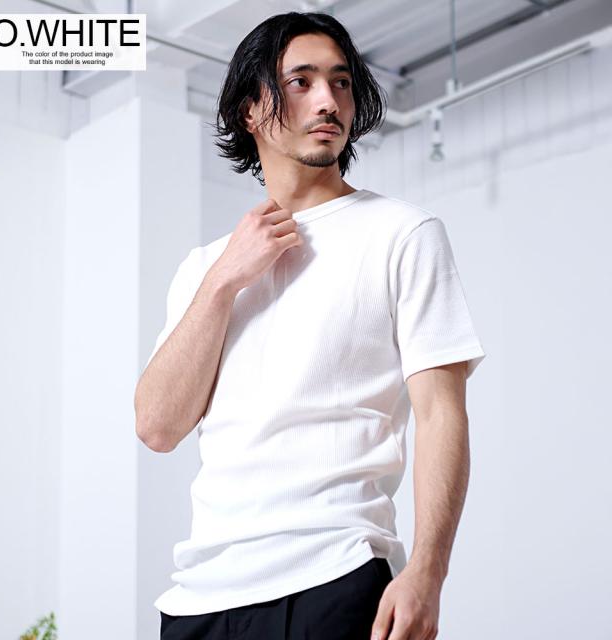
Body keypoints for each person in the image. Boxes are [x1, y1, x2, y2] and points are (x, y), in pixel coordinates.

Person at [134, 10, 487, 640]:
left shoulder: (402, 233)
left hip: (336, 574)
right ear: (251, 110)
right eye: (301, 81)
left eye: (340, 82)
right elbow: (158, 426)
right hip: (200, 598)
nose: (328, 101)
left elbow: (442, 413)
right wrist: (224, 281)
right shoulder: (204, 268)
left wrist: (428, 572)